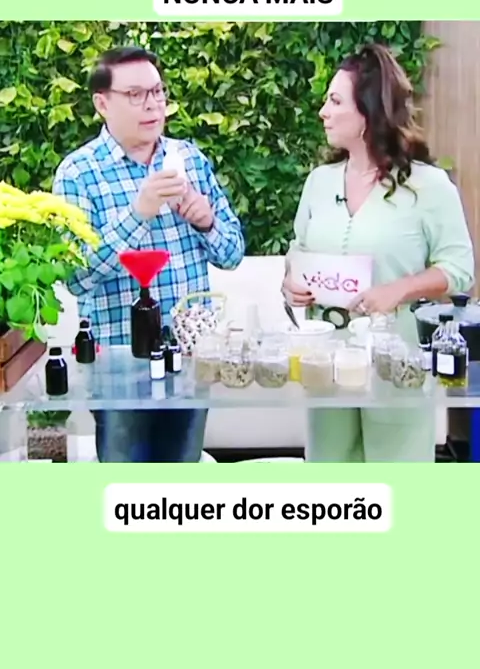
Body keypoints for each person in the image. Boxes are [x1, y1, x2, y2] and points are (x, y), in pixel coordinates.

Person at [282, 43, 475, 462]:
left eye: (335, 101)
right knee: (329, 485)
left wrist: (398, 290)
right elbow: (298, 250)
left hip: (397, 363)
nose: (323, 112)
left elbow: (460, 269)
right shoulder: (319, 182)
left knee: (396, 487)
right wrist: (290, 284)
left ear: (368, 112)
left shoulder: (428, 186)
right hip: (325, 364)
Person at [53, 45, 245, 462]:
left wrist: (207, 221)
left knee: (181, 482)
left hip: (190, 358)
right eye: (136, 94)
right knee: (126, 485)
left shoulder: (189, 159)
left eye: (157, 92)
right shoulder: (78, 173)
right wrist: (138, 213)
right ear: (102, 103)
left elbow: (232, 253)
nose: (153, 104)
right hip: (119, 366)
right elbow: (76, 277)